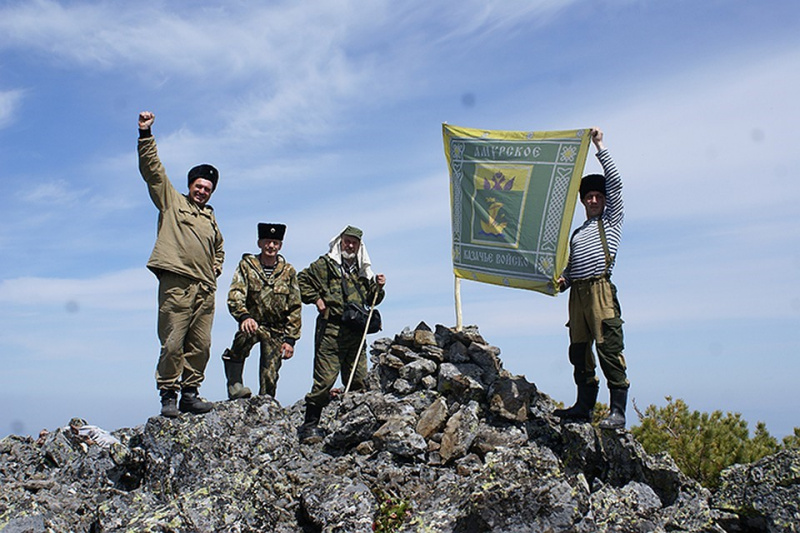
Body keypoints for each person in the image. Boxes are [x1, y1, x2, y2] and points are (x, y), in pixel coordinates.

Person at [137, 111, 224, 418]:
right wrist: (146, 134)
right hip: (177, 283)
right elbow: (153, 171)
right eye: (199, 186)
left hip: (205, 288)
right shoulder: (172, 202)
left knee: (201, 346)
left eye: (208, 189)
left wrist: (217, 266)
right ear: (190, 186)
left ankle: (190, 393)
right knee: (173, 343)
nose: (203, 191)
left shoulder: (210, 217)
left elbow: (219, 246)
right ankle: (168, 395)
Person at [555, 127, 630, 430]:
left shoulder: (611, 221)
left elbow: (617, 184)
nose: (595, 200)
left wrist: (600, 146)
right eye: (589, 196)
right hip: (578, 296)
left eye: (599, 195)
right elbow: (570, 272)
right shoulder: (577, 233)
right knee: (579, 350)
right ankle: (583, 407)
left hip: (601, 290)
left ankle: (618, 412)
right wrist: (561, 281)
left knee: (609, 348)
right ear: (584, 201)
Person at [296, 226, 386, 443]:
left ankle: (353, 426)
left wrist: (379, 287)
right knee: (325, 380)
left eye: (354, 243)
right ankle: (309, 426)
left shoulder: (362, 271)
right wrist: (317, 300)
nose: (350, 246)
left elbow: (372, 298)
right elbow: (301, 281)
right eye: (347, 241)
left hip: (356, 332)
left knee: (358, 380)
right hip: (331, 331)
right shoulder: (325, 265)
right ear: (340, 242)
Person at [221, 223, 302, 399]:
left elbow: (295, 306)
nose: (271, 246)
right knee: (242, 338)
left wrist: (290, 340)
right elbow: (236, 293)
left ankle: (266, 404)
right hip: (253, 323)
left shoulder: (288, 272)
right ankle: (235, 385)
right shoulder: (247, 265)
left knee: (270, 375)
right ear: (259, 243)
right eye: (267, 242)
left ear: (280, 245)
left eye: (275, 242)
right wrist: (244, 316)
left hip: (276, 330)